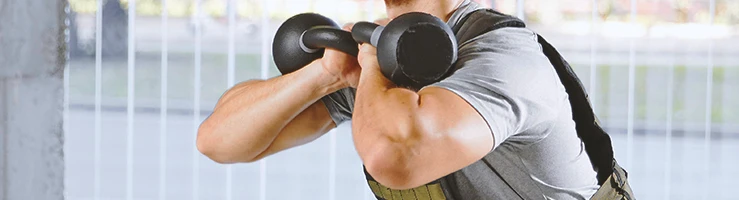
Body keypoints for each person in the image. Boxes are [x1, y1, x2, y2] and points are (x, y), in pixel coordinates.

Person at [197, 0, 633, 199]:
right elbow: (219, 140)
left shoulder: (505, 58)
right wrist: (324, 74)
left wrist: (369, 66)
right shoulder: (380, 66)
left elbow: (396, 154)